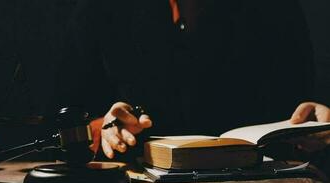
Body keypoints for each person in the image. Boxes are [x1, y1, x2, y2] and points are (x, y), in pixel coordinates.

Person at [53, 0, 316, 159]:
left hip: (261, 180)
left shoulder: (273, 8)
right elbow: (59, 121)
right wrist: (105, 130)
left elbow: (306, 103)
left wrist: (317, 122)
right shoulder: (103, 9)